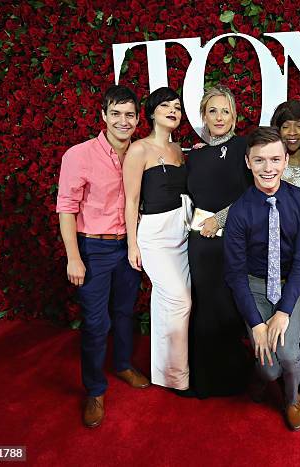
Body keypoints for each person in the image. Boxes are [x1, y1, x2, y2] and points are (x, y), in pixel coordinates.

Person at [56, 85, 150, 429]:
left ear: (139, 119)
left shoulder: (141, 152)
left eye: (129, 115)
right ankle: (95, 389)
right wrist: (73, 257)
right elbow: (66, 209)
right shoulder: (78, 155)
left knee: (125, 312)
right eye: (116, 114)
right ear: (103, 116)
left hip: (129, 246)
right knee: (96, 323)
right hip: (92, 249)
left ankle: (123, 363)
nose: (122, 121)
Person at [224, 127, 300, 430]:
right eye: (260, 160)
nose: (268, 168)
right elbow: (235, 275)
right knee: (270, 368)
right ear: (248, 163)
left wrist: (285, 311)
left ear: (286, 160)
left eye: (275, 159)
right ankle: (259, 379)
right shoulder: (239, 211)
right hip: (255, 288)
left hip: (289, 287)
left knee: (289, 355)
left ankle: (292, 399)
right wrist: (257, 323)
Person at [186, 85, 253, 398]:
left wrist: (220, 219)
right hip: (201, 242)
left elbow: (252, 193)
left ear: (234, 115)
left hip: (235, 240)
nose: (219, 116)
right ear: (203, 115)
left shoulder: (244, 147)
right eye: (212, 110)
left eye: (225, 110)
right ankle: (204, 381)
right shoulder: (194, 155)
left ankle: (237, 381)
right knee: (205, 307)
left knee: (231, 307)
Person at [123, 87, 192, 391]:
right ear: (151, 112)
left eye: (177, 106)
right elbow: (131, 200)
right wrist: (131, 244)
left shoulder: (180, 151)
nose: (173, 111)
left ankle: (168, 374)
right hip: (154, 235)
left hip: (182, 230)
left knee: (167, 302)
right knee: (180, 299)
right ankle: (175, 373)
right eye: (165, 105)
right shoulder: (139, 149)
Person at [270, 100, 300, 189]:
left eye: (299, 126)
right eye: (285, 127)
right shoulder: (269, 166)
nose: (292, 132)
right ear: (278, 129)